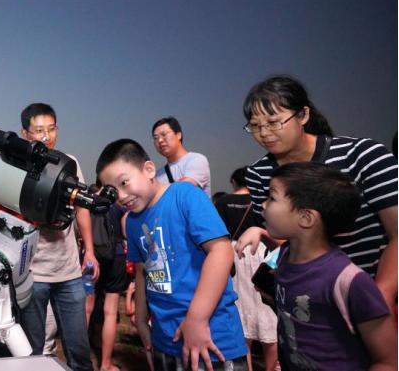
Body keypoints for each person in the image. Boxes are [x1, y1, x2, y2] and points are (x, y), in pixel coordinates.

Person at [235, 75, 397, 310]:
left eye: (274, 122)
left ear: (303, 115)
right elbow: (289, 240)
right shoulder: (259, 174)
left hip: (375, 296)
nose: (265, 133)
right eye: (256, 126)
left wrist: (380, 297)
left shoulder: (363, 155)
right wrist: (264, 234)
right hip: (312, 304)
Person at [97, 139, 247, 371]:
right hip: (165, 340)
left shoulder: (184, 195)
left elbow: (221, 251)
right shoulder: (134, 222)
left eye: (124, 183)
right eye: (113, 191)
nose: (122, 196)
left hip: (212, 338)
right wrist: (141, 320)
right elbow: (141, 272)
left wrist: (197, 319)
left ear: (148, 170)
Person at [262, 162, 396, 370]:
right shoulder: (284, 257)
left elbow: (388, 360)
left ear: (306, 218)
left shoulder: (348, 280)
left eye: (271, 198)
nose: (263, 204)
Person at [8, 102, 97, 371]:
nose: (46, 136)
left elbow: (81, 207)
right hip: (32, 274)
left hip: (68, 272)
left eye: (51, 129)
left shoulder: (69, 163)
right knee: (33, 351)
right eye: (38, 130)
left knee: (79, 349)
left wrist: (89, 250)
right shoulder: (14, 167)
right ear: (25, 133)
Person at [214, 168, 278, 371]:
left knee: (240, 312)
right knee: (268, 313)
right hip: (263, 252)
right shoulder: (262, 201)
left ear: (234, 181)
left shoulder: (223, 202)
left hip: (234, 254)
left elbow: (218, 232)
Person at [85, 192, 128, 371]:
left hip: (91, 257)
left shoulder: (88, 201)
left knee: (86, 309)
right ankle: (105, 365)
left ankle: (80, 359)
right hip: (115, 256)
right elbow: (126, 231)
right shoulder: (120, 204)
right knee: (110, 312)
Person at [151, 116, 212, 197]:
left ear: (178, 135)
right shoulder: (157, 175)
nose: (160, 140)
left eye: (164, 134)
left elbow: (184, 189)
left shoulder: (196, 160)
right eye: (156, 138)